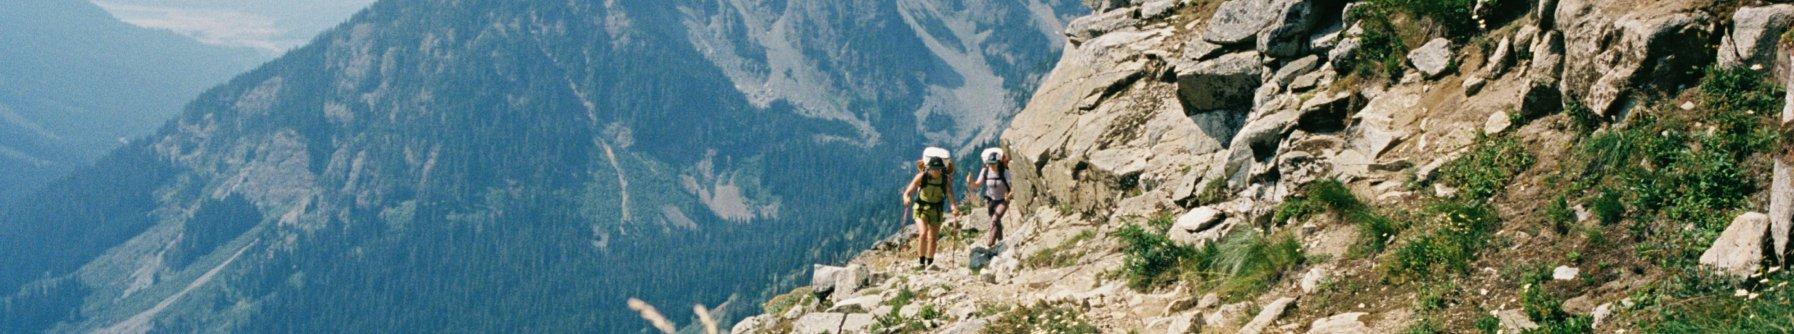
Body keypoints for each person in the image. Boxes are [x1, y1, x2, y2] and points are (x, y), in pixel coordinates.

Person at [902, 147, 956, 270]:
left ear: (942, 169)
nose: (935, 171)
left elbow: (950, 195)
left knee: (933, 239)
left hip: (936, 211)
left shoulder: (945, 180)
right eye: (933, 169)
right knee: (923, 233)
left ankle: (930, 262)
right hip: (921, 208)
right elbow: (908, 191)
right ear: (928, 167)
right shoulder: (921, 177)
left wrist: (954, 208)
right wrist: (906, 198)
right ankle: (921, 262)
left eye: (938, 169)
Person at [968, 148, 1012, 248]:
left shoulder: (1005, 172)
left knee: (994, 219)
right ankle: (1001, 241)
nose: (991, 165)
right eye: (989, 163)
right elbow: (976, 185)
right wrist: (970, 181)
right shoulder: (985, 171)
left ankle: (990, 242)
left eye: (993, 163)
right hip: (990, 200)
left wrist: (1009, 196)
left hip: (1003, 200)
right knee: (997, 221)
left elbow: (1013, 186)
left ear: (998, 162)